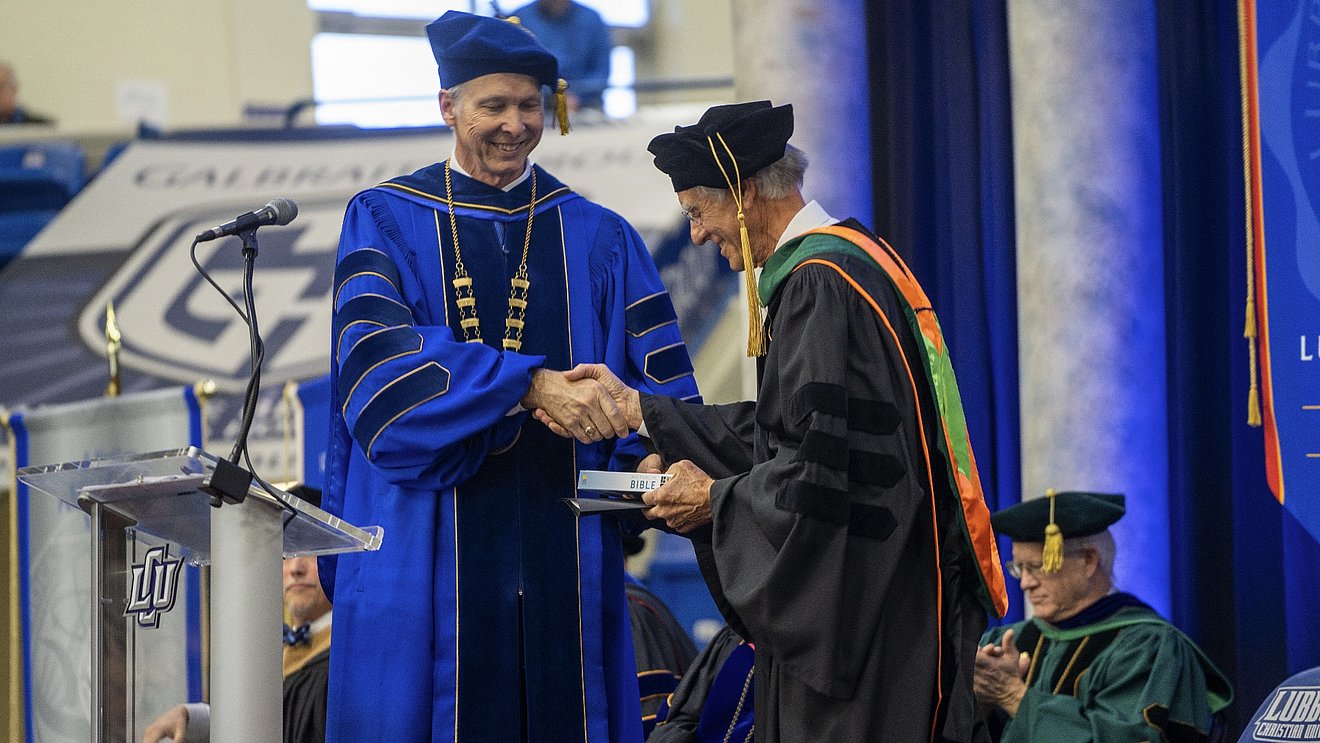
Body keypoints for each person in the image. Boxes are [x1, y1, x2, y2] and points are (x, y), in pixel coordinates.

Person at [535, 100, 1010, 741]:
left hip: (868, 622)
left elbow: (828, 479)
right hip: (881, 600)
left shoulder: (822, 285)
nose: (698, 236)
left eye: (699, 213)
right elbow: (790, 436)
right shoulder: (846, 265)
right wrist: (640, 411)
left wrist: (715, 501)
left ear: (744, 192)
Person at [318, 10, 699, 743]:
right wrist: (528, 384)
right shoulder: (386, 220)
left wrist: (649, 454)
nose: (515, 125)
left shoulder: (598, 237)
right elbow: (378, 380)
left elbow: (659, 394)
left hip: (567, 565)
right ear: (448, 107)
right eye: (493, 105)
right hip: (426, 567)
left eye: (530, 105)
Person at [974, 490, 1233, 742]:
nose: (1025, 583)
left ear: (1088, 561)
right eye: (1019, 568)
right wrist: (977, 699)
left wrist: (1014, 696)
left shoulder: (1146, 648)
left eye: (1038, 566)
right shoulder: (1008, 642)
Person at [142, 550, 333, 743]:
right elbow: (263, 719)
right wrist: (191, 718)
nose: (295, 568)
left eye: (312, 555)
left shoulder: (342, 663)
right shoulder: (270, 651)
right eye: (287, 555)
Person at [509, 0, 612, 111]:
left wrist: (577, 97)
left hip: (585, 104)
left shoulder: (591, 18)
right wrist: (546, 96)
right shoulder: (519, 18)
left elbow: (601, 71)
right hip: (533, 103)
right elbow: (513, 71)